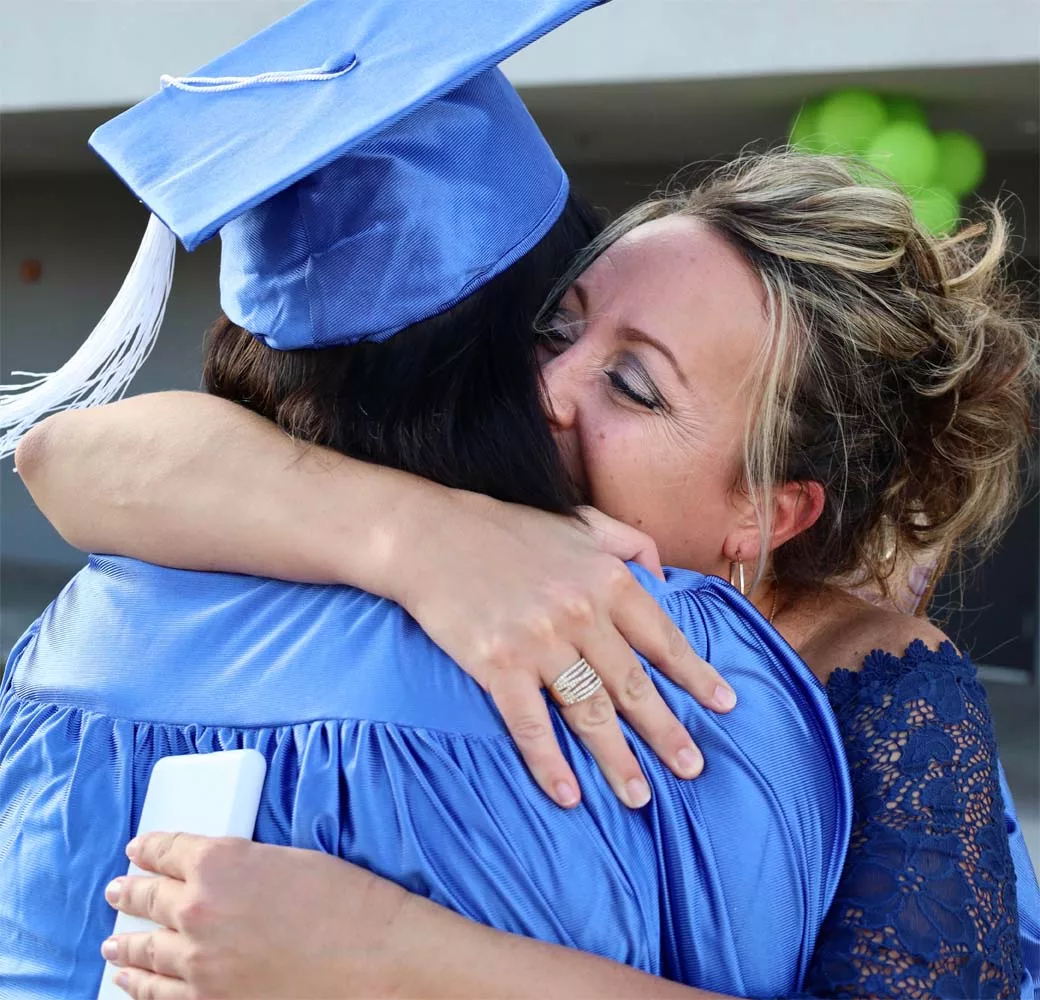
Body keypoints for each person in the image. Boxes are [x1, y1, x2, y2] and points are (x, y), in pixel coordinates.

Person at [21, 150, 1040, 999]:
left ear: (767, 511)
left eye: (632, 385)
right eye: (557, 329)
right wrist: (417, 533)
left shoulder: (887, 685)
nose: (545, 388)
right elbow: (64, 458)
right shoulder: (476, 535)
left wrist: (386, 955)